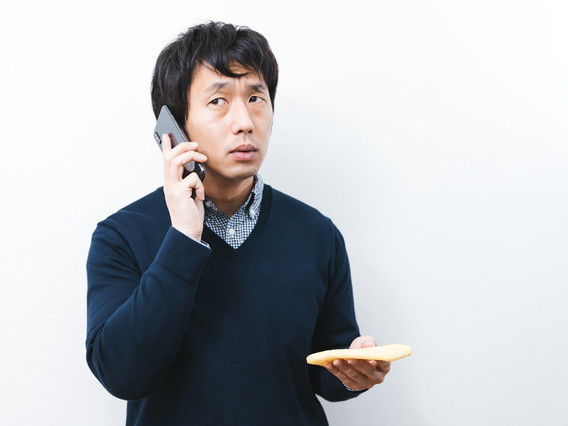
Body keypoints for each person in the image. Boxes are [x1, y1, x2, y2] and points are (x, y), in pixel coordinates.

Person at [85, 20, 391, 425]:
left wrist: (352, 372)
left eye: (256, 97)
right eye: (218, 101)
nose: (245, 121)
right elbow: (123, 374)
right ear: (174, 127)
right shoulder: (121, 236)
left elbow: (321, 369)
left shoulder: (317, 233)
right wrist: (183, 238)